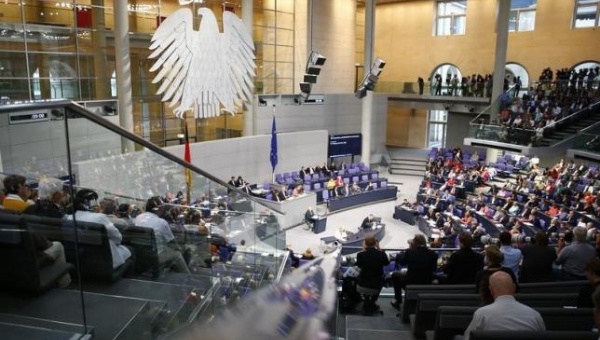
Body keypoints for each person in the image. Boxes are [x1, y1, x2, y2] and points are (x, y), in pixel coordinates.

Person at [463, 271, 545, 340]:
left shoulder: (481, 314)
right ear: (514, 287)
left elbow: (468, 337)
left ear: (491, 290)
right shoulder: (534, 315)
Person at [66, 189, 133, 270]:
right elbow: (117, 238)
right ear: (91, 203)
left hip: (79, 260)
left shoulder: (68, 218)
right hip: (103, 260)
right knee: (131, 251)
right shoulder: (99, 218)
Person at [135, 196, 190, 273]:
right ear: (159, 208)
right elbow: (172, 244)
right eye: (163, 207)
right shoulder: (162, 222)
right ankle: (187, 276)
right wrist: (180, 249)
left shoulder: (138, 217)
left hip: (140, 254)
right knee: (177, 254)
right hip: (155, 256)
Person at [390, 234, 438, 309]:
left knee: (395, 275)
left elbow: (402, 262)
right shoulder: (433, 254)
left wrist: (409, 249)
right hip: (426, 282)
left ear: (414, 243)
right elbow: (434, 268)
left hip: (411, 282)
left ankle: (398, 301)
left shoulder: (410, 252)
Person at [355, 236, 390, 315]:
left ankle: (367, 301)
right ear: (375, 243)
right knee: (382, 278)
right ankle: (372, 302)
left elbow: (359, 265)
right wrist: (379, 248)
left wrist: (363, 250)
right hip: (376, 285)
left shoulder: (360, 255)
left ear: (365, 244)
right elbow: (386, 263)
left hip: (362, 285)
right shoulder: (381, 254)